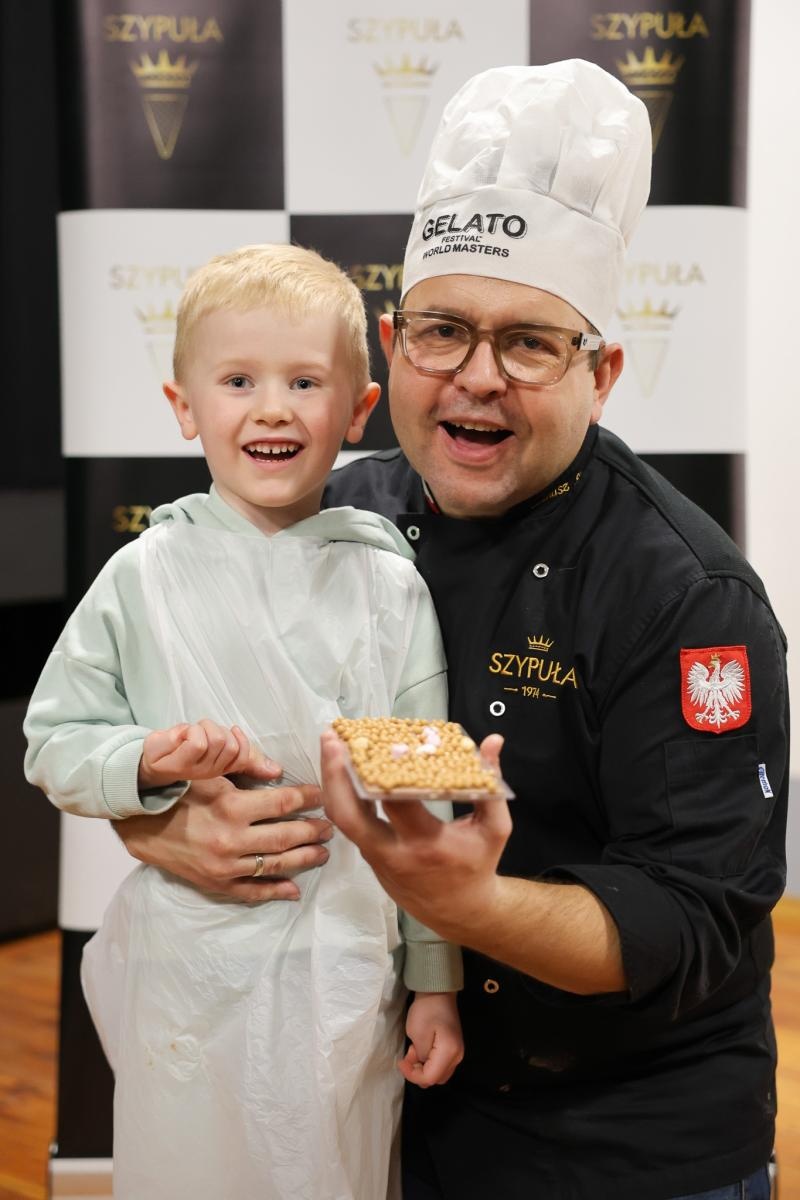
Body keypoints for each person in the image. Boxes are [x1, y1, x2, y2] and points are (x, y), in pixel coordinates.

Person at [112, 61, 785, 1200]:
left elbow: (692, 921)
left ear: (602, 371)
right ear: (389, 345)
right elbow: (156, 725)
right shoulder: (326, 517)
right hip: (379, 1105)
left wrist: (462, 905)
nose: (476, 378)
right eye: (442, 332)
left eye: (530, 343)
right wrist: (165, 832)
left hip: (621, 1147)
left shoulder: (680, 592)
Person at [24, 243, 464, 1200]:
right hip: (186, 975)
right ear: (185, 406)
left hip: (343, 975)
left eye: (304, 381)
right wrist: (143, 760)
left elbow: (425, 799)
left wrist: (436, 980)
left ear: (356, 409)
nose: (271, 407)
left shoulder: (389, 589)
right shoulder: (144, 578)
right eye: (237, 380)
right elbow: (53, 743)